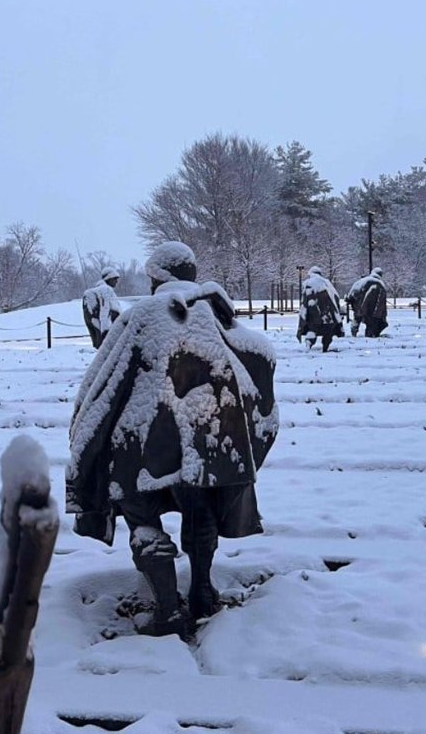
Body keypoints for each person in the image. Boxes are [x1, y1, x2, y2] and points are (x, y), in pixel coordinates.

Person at [66, 242, 278, 638]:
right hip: (204, 445)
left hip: (142, 447)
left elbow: (102, 384)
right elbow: (260, 356)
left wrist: (84, 440)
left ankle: (166, 608)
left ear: (156, 278)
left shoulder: (142, 315)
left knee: (143, 517)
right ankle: (202, 591)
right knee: (199, 511)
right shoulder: (217, 318)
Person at [297, 265, 344, 352]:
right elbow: (335, 297)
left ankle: (309, 344)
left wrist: (304, 316)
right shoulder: (327, 283)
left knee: (312, 330)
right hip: (328, 315)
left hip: (314, 315)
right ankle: (325, 348)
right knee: (328, 332)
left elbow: (305, 301)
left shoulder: (308, 283)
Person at [82, 266, 123, 348]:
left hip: (95, 326)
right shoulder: (106, 289)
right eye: (115, 279)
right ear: (109, 278)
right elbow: (105, 311)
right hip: (107, 328)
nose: (116, 281)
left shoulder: (92, 292)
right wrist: (105, 332)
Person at [346, 267, 388, 337]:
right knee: (371, 324)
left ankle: (354, 332)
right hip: (372, 311)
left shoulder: (362, 281)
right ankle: (369, 335)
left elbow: (352, 293)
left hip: (358, 307)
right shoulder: (380, 284)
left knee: (357, 319)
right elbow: (382, 302)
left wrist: (351, 301)